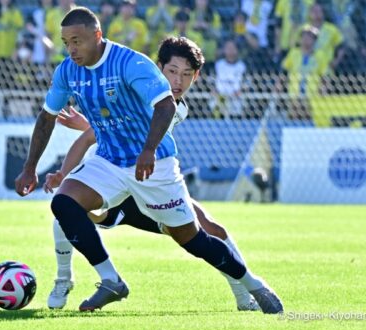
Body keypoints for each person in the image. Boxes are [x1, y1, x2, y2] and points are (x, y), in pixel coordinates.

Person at [14, 7, 283, 314]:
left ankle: (252, 284)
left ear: (97, 36)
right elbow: (50, 118)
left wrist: (147, 150)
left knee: (194, 238)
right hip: (111, 163)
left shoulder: (132, 66)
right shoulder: (68, 71)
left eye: (77, 41)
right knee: (64, 204)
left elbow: (163, 108)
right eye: (66, 42)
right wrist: (32, 167)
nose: (72, 48)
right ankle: (104, 280)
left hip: (153, 169)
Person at [280, 25, 329, 119]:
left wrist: (323, 90)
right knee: (293, 117)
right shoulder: (293, 53)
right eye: (305, 36)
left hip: (312, 97)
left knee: (309, 118)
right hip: (294, 96)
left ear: (315, 40)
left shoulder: (320, 56)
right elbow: (284, 72)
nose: (307, 39)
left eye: (311, 37)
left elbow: (325, 76)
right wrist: (279, 86)